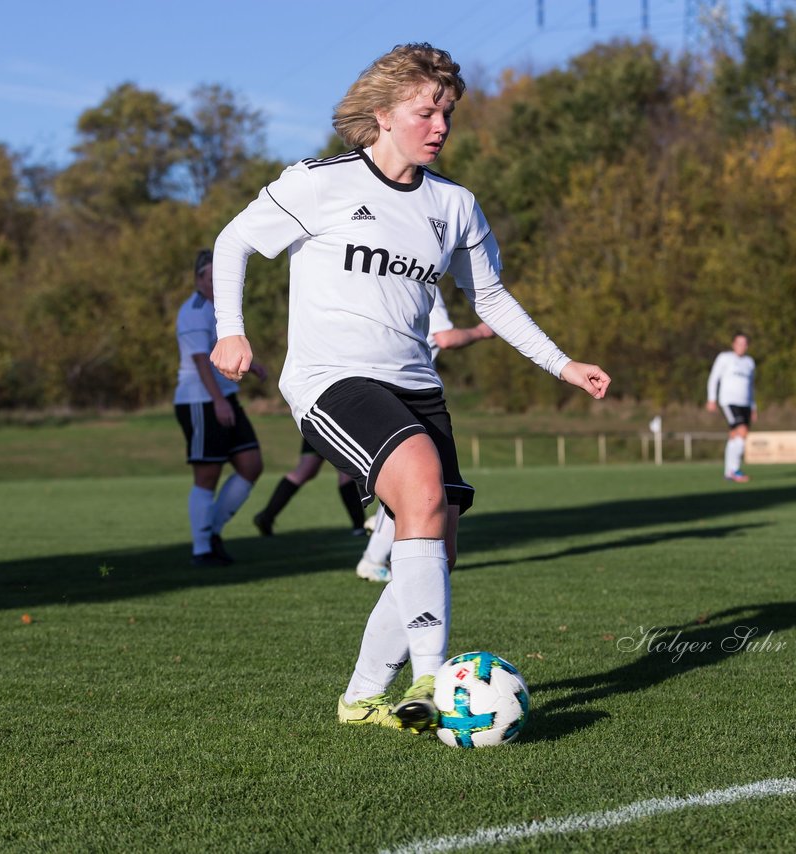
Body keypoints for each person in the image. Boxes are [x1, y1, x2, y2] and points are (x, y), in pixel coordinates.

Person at [209, 43, 609, 735]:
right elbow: (233, 242)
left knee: (437, 542)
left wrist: (563, 364)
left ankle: (363, 697)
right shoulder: (319, 182)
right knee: (421, 492)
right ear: (384, 112)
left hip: (417, 386)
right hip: (330, 379)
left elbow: (491, 299)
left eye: (448, 112)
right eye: (427, 111)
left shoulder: (455, 205)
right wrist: (230, 329)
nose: (441, 126)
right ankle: (434, 678)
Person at [254, 287, 493, 544]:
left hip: (374, 392)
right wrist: (481, 331)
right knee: (406, 482)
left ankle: (359, 532)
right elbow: (445, 337)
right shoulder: (418, 280)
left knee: (336, 472)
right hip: (359, 394)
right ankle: (369, 546)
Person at [353, 288, 494, 582]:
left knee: (411, 485)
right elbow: (444, 337)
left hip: (381, 387)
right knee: (416, 485)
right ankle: (374, 558)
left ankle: (381, 555)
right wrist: (482, 331)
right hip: (405, 389)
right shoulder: (423, 275)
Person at [174, 249, 265, 567]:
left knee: (251, 464)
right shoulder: (194, 310)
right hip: (201, 401)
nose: (215, 284)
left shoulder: (218, 310)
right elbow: (200, 360)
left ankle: (211, 532)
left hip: (223, 397)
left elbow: (220, 349)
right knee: (208, 474)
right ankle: (202, 550)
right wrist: (218, 401)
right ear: (199, 278)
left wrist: (252, 368)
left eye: (219, 278)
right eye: (210, 278)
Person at [706, 331, 756, 483]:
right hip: (729, 401)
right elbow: (714, 377)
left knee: (735, 436)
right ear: (733, 344)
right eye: (739, 343)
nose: (741, 346)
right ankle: (735, 470)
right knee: (742, 432)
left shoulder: (749, 362)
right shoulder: (725, 358)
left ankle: (729, 472)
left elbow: (751, 386)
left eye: (744, 343)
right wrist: (711, 398)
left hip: (745, 403)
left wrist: (754, 406)